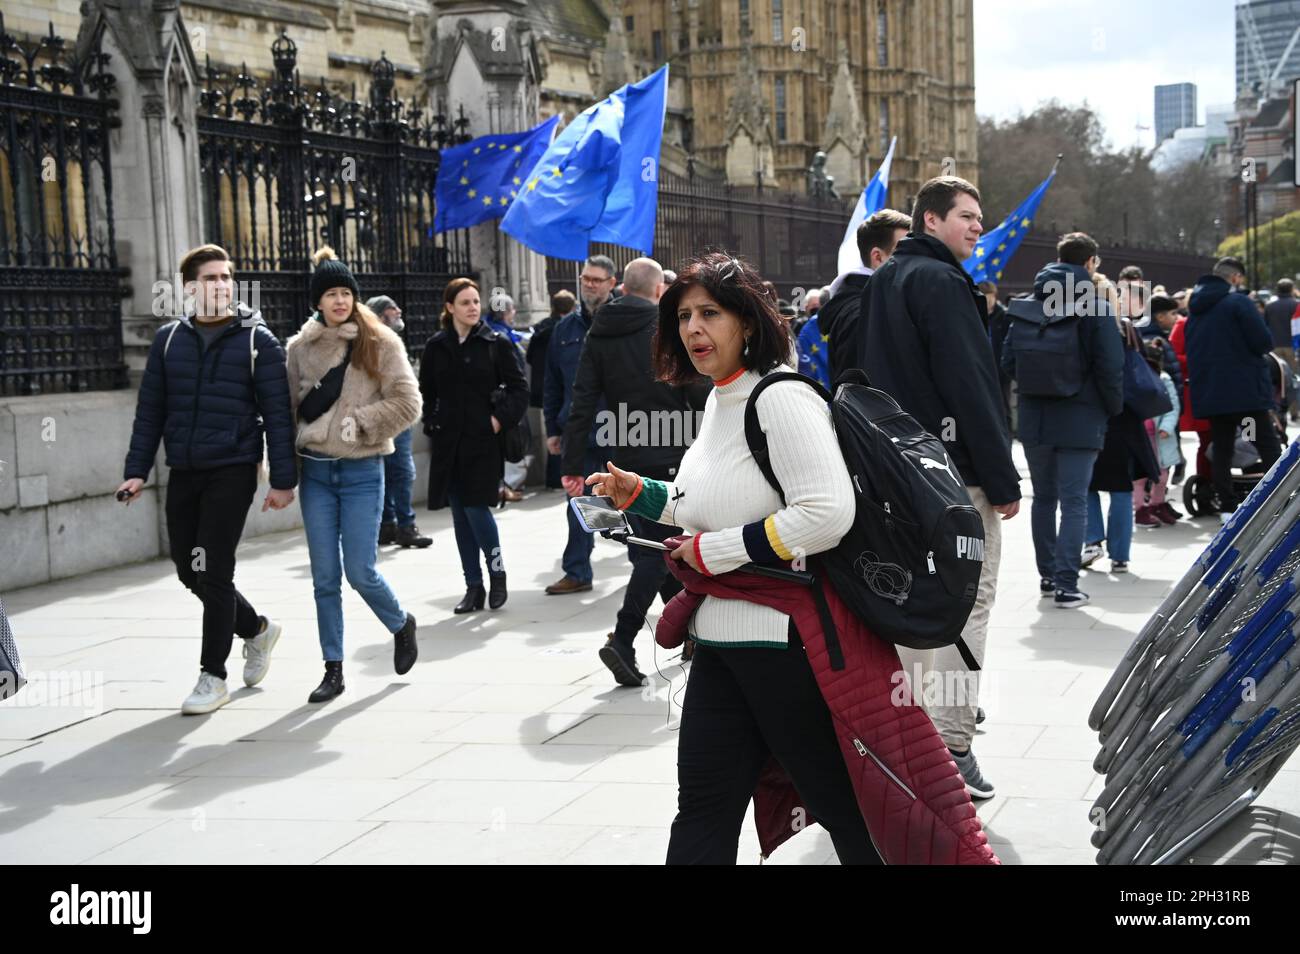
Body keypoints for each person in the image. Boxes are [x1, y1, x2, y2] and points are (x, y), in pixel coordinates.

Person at [585, 251, 883, 865]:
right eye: (684, 316)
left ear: (747, 322)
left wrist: (714, 552)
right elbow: (707, 502)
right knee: (703, 810)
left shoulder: (781, 399)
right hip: (719, 646)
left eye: (710, 314)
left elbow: (827, 512)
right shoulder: (719, 400)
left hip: (787, 650)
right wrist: (640, 494)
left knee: (846, 814)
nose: (693, 329)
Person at [854, 176, 1020, 798]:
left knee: (910, 605)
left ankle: (901, 744)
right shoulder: (945, 282)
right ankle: (951, 744)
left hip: (897, 473)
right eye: (967, 217)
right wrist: (1001, 479)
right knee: (967, 605)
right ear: (930, 220)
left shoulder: (885, 281)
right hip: (954, 481)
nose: (979, 227)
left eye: (980, 217)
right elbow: (972, 387)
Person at [119, 243, 296, 715]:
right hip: (185, 468)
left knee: (212, 570)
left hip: (234, 468)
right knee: (188, 569)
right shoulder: (169, 340)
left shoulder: (259, 342)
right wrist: (136, 472)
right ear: (190, 287)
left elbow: (279, 417)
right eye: (210, 278)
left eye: (225, 277)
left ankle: (211, 677)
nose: (220, 285)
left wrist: (283, 481)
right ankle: (257, 629)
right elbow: (150, 412)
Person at [560, 257, 711, 687]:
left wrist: (572, 465)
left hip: (625, 457)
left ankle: (692, 633)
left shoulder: (599, 331)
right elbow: (695, 389)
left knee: (656, 549)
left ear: (622, 288)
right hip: (674, 452)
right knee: (655, 553)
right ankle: (624, 639)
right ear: (658, 291)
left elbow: (583, 398)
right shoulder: (666, 329)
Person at [285, 248, 422, 703]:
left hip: (363, 470)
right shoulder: (299, 350)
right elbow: (287, 412)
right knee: (324, 577)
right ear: (318, 302)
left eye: (346, 292)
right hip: (318, 476)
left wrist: (363, 421)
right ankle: (333, 669)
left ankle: (401, 623)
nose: (340, 300)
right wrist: (281, 473)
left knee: (360, 570)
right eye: (331, 294)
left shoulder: (380, 342)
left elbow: (408, 404)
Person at [1001, 232, 1123, 608]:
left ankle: (1048, 575)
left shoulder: (1026, 306)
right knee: (1073, 502)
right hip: (1082, 417)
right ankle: (1068, 586)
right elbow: (1110, 366)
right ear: (1089, 263)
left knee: (1043, 500)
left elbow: (1008, 363)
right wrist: (1111, 407)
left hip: (1036, 417)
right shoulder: (1097, 307)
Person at [420, 278, 529, 612]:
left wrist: (497, 420)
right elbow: (427, 392)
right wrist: (432, 421)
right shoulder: (436, 346)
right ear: (449, 307)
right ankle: (473, 587)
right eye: (464, 302)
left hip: (482, 443)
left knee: (476, 509)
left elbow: (519, 389)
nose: (472, 308)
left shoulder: (495, 343)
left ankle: (497, 576)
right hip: (449, 444)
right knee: (459, 516)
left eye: (475, 301)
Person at [1185, 257, 1283, 521]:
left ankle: (1227, 506)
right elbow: (1263, 342)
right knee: (1263, 443)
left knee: (1224, 447)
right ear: (1236, 278)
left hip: (1214, 394)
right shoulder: (1239, 302)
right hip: (1246, 395)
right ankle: (1280, 500)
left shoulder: (1195, 308)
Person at [544, 255, 617, 595]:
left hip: (622, 429)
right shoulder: (564, 329)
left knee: (627, 499)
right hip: (577, 429)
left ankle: (644, 564)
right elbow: (552, 383)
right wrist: (552, 429)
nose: (589, 284)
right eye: (586, 278)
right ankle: (578, 569)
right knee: (578, 500)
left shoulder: (624, 322)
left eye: (597, 280)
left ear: (611, 283)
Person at [1081, 320, 1161, 574]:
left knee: (1087, 483)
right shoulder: (1126, 330)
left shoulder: (1082, 331)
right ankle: (1120, 555)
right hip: (1125, 420)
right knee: (1121, 487)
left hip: (1091, 416)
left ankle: (1093, 540)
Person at [366, 295, 432, 549]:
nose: (399, 311)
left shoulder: (392, 341)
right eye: (393, 308)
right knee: (392, 471)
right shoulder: (371, 343)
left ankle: (400, 524)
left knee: (400, 472)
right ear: (381, 315)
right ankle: (395, 524)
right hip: (383, 415)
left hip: (399, 416)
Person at [819, 208, 911, 382]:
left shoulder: (872, 304)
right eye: (905, 253)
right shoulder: (865, 313)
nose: (914, 261)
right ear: (878, 257)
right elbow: (861, 393)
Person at [526, 290, 576, 489]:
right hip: (560, 387)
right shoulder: (564, 330)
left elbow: (529, 357)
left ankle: (552, 478)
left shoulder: (539, 329)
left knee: (552, 431)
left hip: (540, 386)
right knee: (560, 433)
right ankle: (557, 477)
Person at [1135, 340, 1183, 527]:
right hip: (1139, 435)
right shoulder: (1133, 378)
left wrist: (1167, 427)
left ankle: (1157, 504)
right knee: (1139, 477)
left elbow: (1173, 405)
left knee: (1162, 475)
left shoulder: (1164, 379)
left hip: (1160, 437)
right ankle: (1140, 509)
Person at [1266, 279, 1299, 420]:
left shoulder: (1270, 306)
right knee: (1294, 380)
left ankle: (1277, 411)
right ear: (1291, 289)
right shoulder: (1297, 305)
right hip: (1293, 346)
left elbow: (1265, 325)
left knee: (1276, 381)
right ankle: (1294, 411)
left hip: (1274, 347)